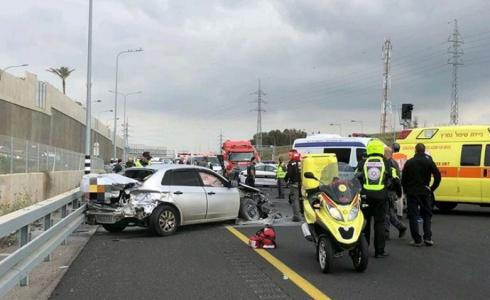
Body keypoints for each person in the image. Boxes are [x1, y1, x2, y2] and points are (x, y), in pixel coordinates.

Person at [356, 139, 399, 258]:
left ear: (369, 149)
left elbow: (354, 178)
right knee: (379, 223)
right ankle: (379, 251)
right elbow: (395, 178)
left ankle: (363, 248)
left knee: (365, 223)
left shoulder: (363, 163)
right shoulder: (386, 163)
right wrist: (398, 193)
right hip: (381, 197)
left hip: (365, 197)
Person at [402, 143, 441, 247]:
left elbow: (404, 179)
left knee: (413, 215)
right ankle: (428, 237)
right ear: (424, 150)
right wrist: (431, 189)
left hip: (412, 192)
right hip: (425, 191)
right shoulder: (429, 162)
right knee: (426, 214)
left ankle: (417, 239)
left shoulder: (409, 162)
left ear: (415, 150)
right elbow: (438, 176)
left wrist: (406, 190)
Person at [384, 147, 407, 239]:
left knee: (386, 213)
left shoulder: (389, 164)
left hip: (388, 191)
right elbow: (398, 179)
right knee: (389, 212)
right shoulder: (395, 163)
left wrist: (398, 192)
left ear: (386, 154)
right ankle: (400, 227)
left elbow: (394, 179)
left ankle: (386, 233)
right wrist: (398, 193)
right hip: (392, 191)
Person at [284, 150, 302, 222]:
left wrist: (286, 179)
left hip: (294, 184)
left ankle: (296, 216)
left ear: (294, 154)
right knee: (301, 199)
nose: (289, 156)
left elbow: (289, 173)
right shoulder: (301, 162)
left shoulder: (291, 163)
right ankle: (302, 214)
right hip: (301, 183)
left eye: (290, 155)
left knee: (295, 200)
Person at [391, 143, 408, 217]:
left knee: (396, 194)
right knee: (404, 194)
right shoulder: (404, 156)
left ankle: (397, 212)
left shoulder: (392, 156)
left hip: (396, 176)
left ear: (393, 148)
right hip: (404, 176)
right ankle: (405, 211)